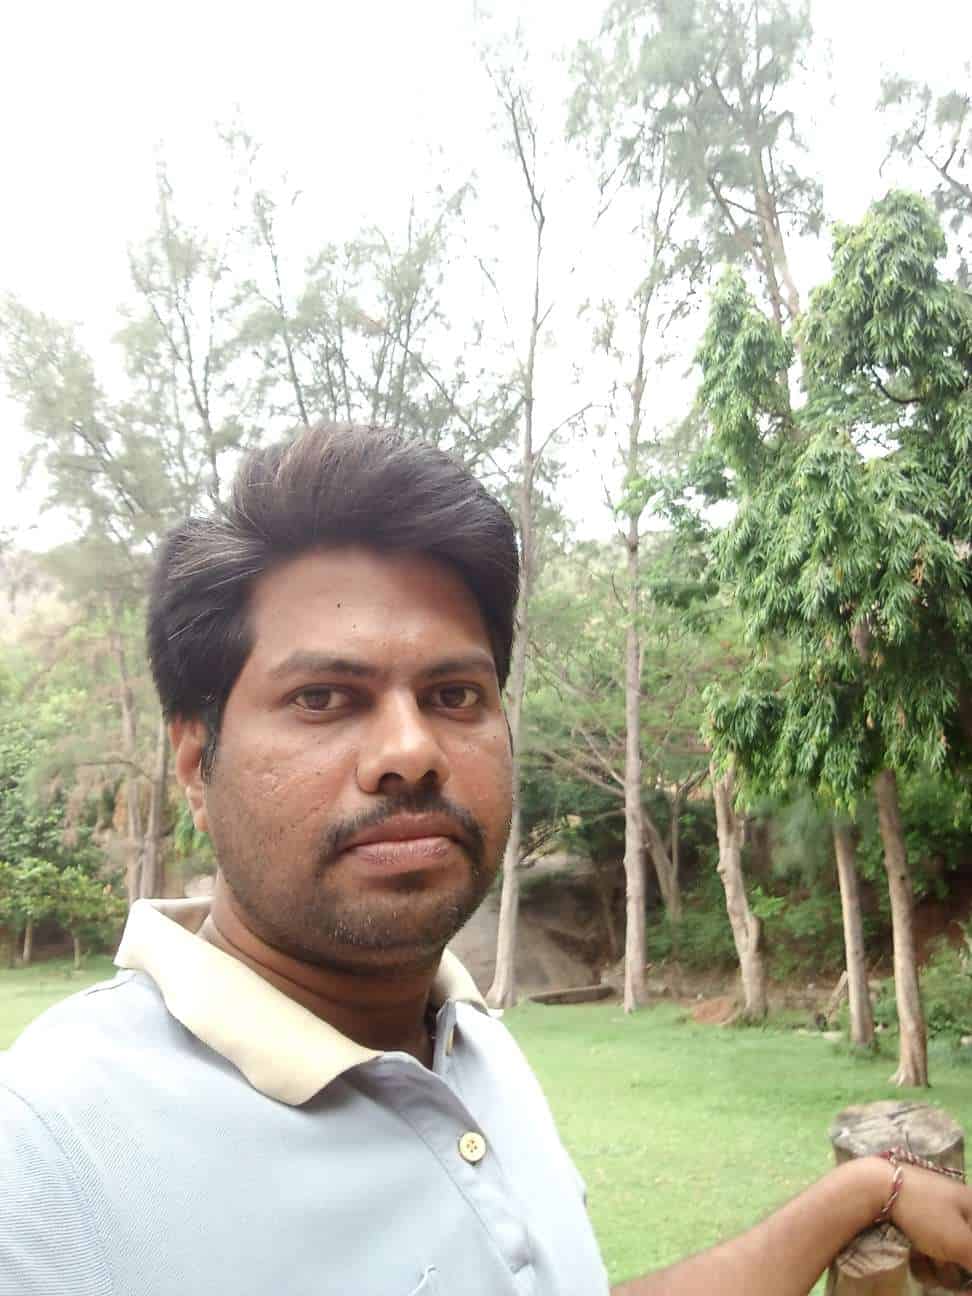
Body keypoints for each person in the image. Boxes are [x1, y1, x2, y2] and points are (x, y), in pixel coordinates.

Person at [1, 423, 971, 1296]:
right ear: (193, 761)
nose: (411, 750)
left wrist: (857, 1196)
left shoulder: (469, 1046)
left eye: (455, 695)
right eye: (324, 699)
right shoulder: (48, 1155)